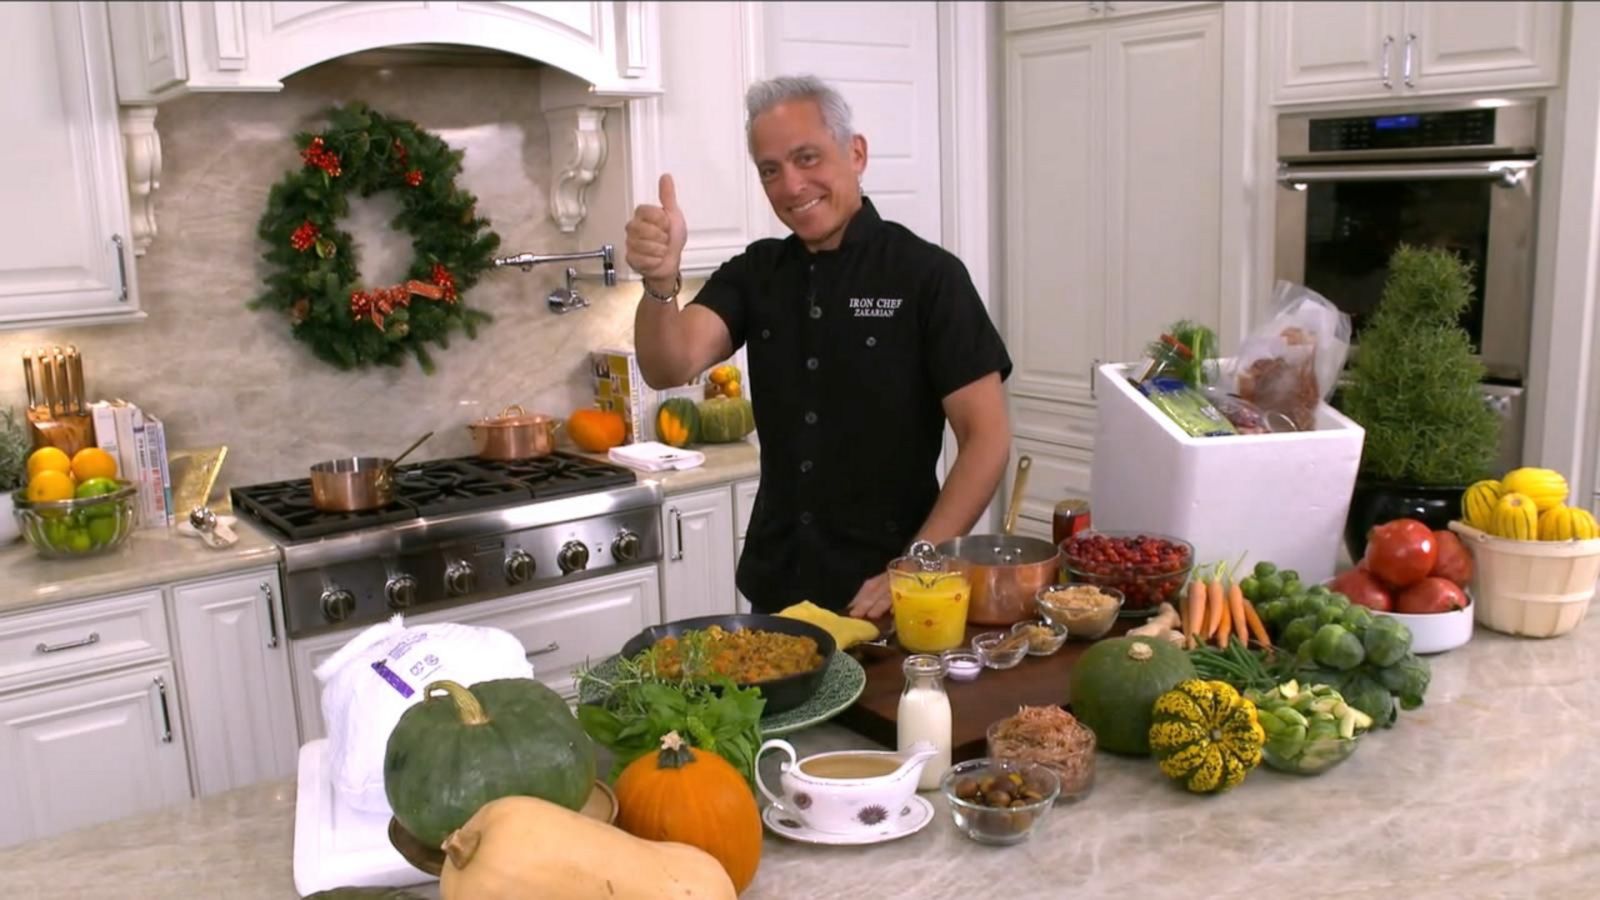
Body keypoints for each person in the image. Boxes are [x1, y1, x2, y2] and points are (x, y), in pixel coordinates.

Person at [625, 74, 1013, 620]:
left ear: (855, 153)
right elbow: (669, 364)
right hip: (777, 589)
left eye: (807, 158)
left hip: (888, 596)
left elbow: (987, 436)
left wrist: (918, 562)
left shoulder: (928, 277)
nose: (791, 185)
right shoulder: (756, 273)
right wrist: (661, 281)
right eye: (771, 170)